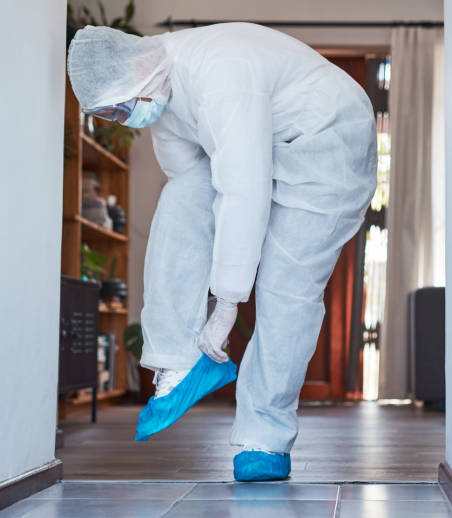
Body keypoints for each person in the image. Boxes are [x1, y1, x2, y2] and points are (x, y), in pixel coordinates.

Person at [67, 22, 377, 481]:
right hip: (268, 142)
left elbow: (242, 187)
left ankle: (265, 438)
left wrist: (227, 301)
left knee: (283, 284)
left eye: (118, 105)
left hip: (327, 139)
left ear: (136, 68)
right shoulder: (162, 95)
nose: (122, 118)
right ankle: (177, 361)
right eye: (109, 115)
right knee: (180, 197)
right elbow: (192, 192)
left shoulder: (219, 72)